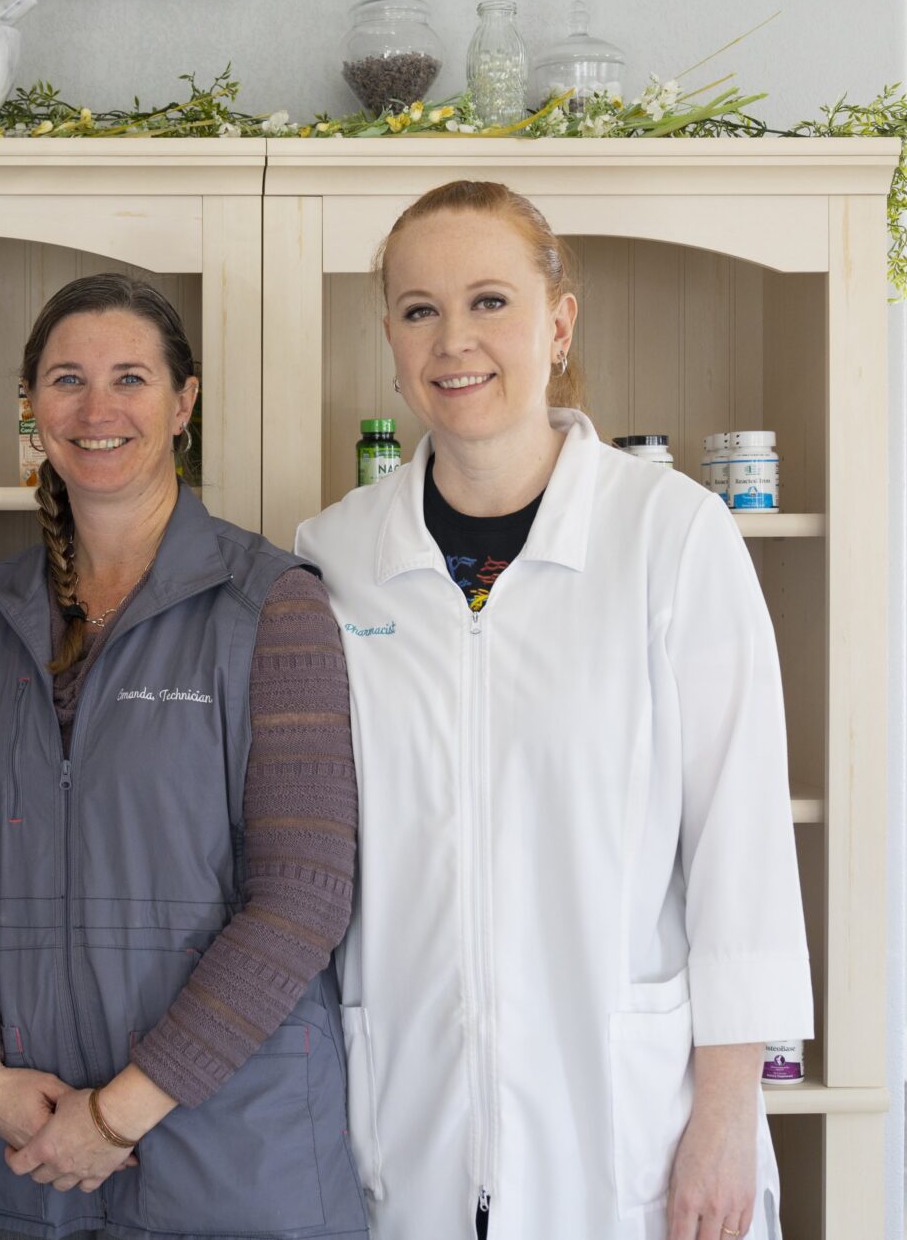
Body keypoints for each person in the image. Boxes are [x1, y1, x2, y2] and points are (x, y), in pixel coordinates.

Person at [295, 180, 811, 1240]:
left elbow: (741, 846)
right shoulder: (337, 556)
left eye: (491, 301)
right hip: (411, 1109)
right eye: (418, 308)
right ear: (389, 335)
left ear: (559, 323)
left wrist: (726, 1113)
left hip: (628, 1118)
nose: (455, 341)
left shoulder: (672, 537)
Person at [0, 273, 368, 1240]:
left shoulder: (271, 607)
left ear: (184, 404)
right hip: (26, 1164)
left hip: (233, 1165)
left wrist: (117, 1112)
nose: (97, 410)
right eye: (66, 380)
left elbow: (303, 896)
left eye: (130, 377)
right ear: (32, 410)